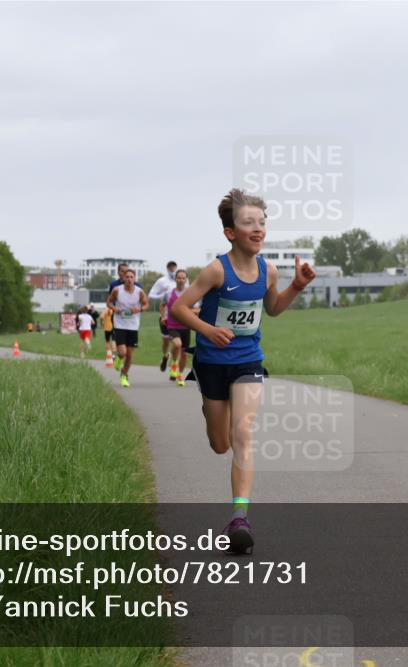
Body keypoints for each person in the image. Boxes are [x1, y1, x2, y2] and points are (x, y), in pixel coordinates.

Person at [171, 188, 315, 554]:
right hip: (211, 363)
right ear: (230, 233)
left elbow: (274, 308)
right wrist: (207, 330)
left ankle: (240, 518)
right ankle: (209, 407)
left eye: (262, 223)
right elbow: (181, 309)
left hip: (248, 359)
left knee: (243, 432)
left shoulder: (269, 270)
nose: (258, 229)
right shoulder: (217, 270)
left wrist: (297, 286)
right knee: (220, 444)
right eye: (248, 222)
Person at [107, 269, 148, 387]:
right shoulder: (117, 290)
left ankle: (124, 375)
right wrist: (115, 309)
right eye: (127, 277)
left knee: (129, 354)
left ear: (134, 279)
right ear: (123, 278)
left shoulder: (139, 292)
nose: (129, 279)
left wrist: (139, 309)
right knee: (122, 352)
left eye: (131, 277)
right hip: (119, 324)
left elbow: (146, 304)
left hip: (133, 326)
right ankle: (119, 358)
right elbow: (109, 302)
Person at [162, 269, 198, 386]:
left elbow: (197, 309)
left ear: (186, 280)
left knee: (184, 354)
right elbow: (163, 305)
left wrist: (186, 310)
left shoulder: (190, 294)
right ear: (175, 279)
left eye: (183, 278)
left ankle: (180, 374)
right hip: (172, 325)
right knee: (177, 344)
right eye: (179, 278)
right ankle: (173, 364)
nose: (181, 280)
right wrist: (163, 316)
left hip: (185, 326)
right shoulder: (169, 293)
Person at [149, 261, 178, 373]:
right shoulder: (162, 281)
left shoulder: (182, 280)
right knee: (166, 341)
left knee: (177, 343)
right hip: (165, 316)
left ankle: (174, 366)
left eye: (174, 267)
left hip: (178, 316)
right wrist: (165, 294)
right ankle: (165, 356)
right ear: (167, 268)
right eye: (170, 267)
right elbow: (151, 294)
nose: (172, 269)